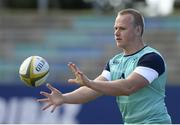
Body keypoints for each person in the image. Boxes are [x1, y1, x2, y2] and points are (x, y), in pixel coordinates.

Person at [37, 8, 172, 124]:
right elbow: (94, 89)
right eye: (115, 28)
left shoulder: (151, 58)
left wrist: (89, 83)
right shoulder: (114, 62)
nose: (116, 33)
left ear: (138, 30)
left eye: (122, 28)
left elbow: (128, 87)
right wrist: (64, 98)